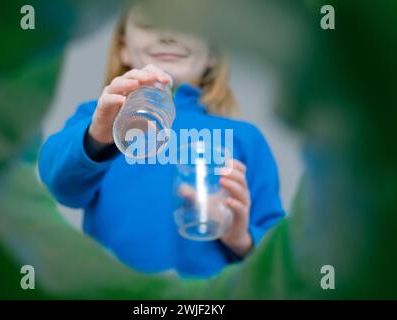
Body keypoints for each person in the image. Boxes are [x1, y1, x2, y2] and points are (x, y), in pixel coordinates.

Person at [38, 5, 285, 278]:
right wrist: (97, 135)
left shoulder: (245, 138)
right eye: (149, 23)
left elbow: (279, 247)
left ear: (213, 54)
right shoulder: (98, 120)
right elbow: (60, 185)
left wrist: (241, 238)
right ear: (123, 47)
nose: (168, 35)